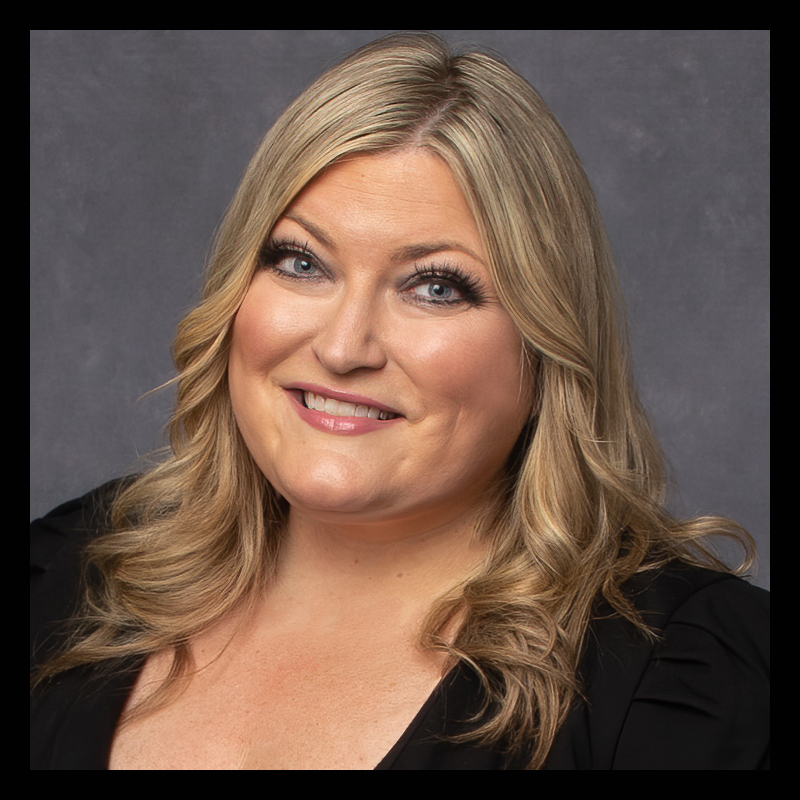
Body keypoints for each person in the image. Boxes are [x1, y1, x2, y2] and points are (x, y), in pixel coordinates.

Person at [30, 32, 769, 770]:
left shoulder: (691, 681)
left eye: (435, 287)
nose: (343, 347)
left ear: (547, 343)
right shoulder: (65, 573)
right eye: (302, 263)